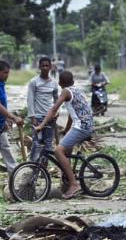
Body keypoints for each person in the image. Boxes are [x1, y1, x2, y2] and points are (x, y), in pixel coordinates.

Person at [35, 71, 95, 199]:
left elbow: (53, 109)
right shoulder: (75, 90)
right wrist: (67, 130)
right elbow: (72, 113)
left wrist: (41, 125)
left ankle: (74, 184)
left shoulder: (66, 91)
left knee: (58, 151)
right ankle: (68, 179)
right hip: (85, 125)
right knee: (66, 151)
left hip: (82, 127)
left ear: (60, 82)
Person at [26, 56, 60, 162]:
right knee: (36, 144)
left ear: (50, 67)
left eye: (47, 66)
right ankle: (33, 167)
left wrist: (57, 112)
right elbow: (30, 100)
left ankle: (44, 169)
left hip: (50, 118)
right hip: (38, 117)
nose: (45, 68)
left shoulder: (54, 83)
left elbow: (56, 100)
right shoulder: (34, 82)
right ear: (39, 67)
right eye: (43, 66)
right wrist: (33, 117)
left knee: (48, 144)